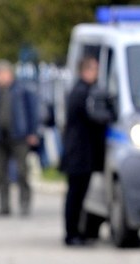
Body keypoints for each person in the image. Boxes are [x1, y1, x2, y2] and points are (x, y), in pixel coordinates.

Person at [60, 56, 107, 246]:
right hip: (78, 153)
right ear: (86, 71)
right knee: (76, 195)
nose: (97, 74)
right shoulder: (82, 92)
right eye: (94, 70)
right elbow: (92, 118)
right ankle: (72, 234)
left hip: (78, 152)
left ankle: (77, 232)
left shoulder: (81, 90)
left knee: (78, 195)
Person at [0, 60, 41, 217]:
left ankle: (24, 204)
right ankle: (4, 206)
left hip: (19, 136)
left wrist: (32, 132)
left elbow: (32, 112)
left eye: (0, 74)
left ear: (8, 74)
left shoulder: (22, 91)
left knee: (22, 172)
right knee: (1, 174)